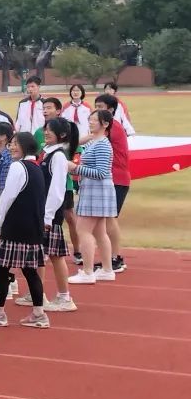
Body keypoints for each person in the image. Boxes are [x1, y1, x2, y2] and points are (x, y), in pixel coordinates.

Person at [0, 132, 49, 329]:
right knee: (30, 271)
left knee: (1, 269)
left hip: (16, 227)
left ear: (26, 146)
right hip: (33, 228)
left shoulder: (18, 166)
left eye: (15, 144)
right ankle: (39, 314)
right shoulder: (36, 168)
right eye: (11, 143)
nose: (12, 147)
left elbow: (7, 198)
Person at [67, 110, 117, 284]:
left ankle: (88, 271)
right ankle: (107, 269)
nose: (90, 122)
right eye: (90, 119)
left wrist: (75, 168)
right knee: (99, 231)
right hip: (94, 190)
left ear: (105, 124)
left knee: (84, 230)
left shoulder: (102, 144)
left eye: (94, 120)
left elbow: (102, 172)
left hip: (97, 190)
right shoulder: (94, 142)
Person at [40, 117, 78, 312]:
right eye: (45, 129)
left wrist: (47, 216)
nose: (46, 132)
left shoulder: (58, 157)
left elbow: (57, 189)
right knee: (43, 255)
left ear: (61, 135)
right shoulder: (49, 153)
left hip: (50, 213)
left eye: (50, 130)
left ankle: (64, 297)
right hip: (45, 211)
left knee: (53, 255)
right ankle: (37, 294)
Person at [94, 93, 130, 272]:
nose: (96, 110)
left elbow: (89, 139)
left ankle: (116, 257)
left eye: (100, 107)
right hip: (111, 178)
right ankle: (110, 257)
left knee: (110, 218)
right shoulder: (108, 128)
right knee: (104, 219)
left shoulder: (113, 127)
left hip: (117, 178)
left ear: (110, 110)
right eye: (96, 106)